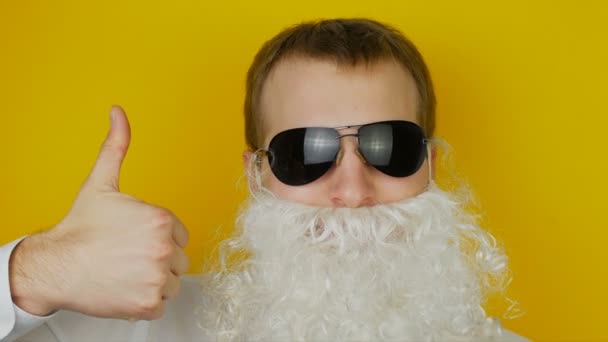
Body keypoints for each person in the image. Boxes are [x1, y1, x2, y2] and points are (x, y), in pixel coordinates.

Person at [0, 18, 527, 341]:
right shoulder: (133, 327)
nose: (352, 193)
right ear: (258, 174)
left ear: (429, 168)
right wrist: (39, 272)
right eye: (306, 152)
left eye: (389, 146)